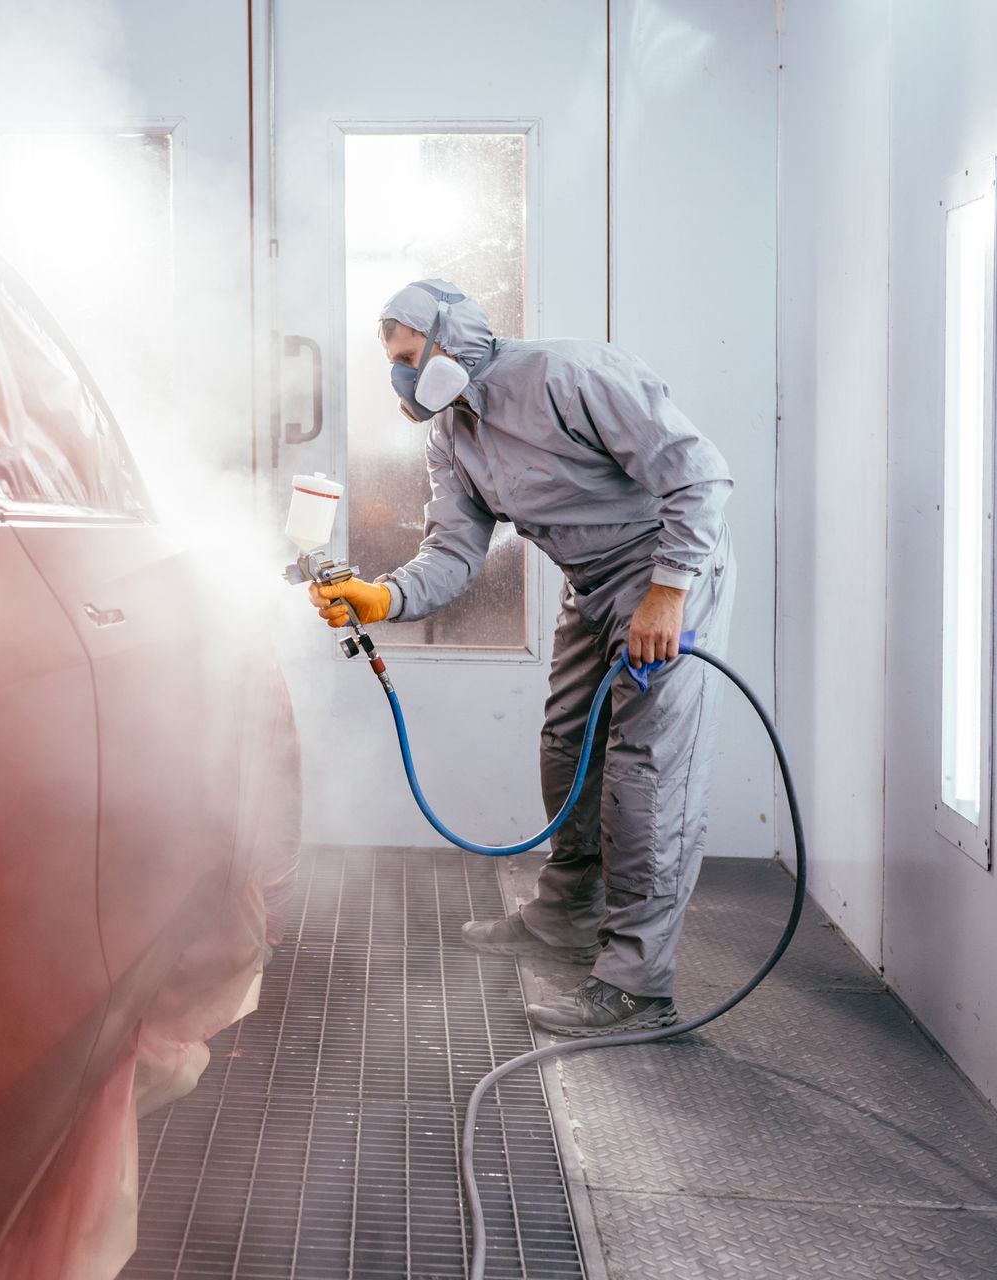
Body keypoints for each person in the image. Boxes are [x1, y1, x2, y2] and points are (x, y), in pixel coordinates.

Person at [307, 279, 735, 1035]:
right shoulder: (453, 437)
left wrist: (667, 593)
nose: (404, 378)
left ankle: (638, 986)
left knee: (646, 774)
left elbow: (699, 476)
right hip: (591, 582)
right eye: (394, 365)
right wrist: (384, 597)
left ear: (454, 336)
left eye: (411, 356)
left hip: (668, 571)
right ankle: (566, 916)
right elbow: (453, 552)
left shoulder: (572, 375)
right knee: (566, 746)